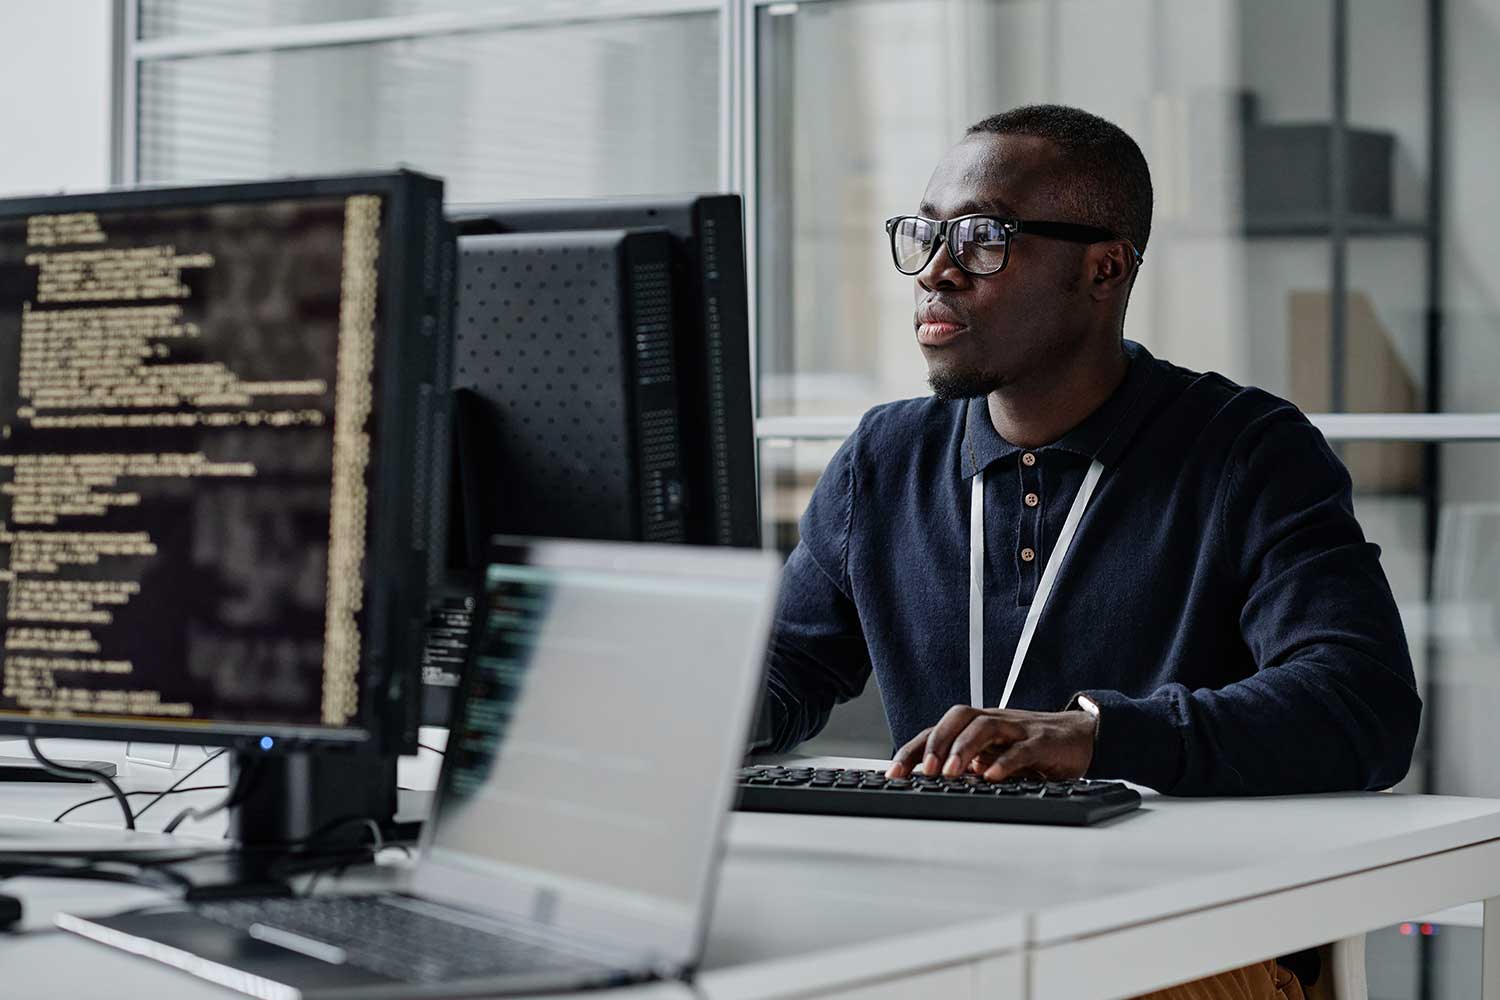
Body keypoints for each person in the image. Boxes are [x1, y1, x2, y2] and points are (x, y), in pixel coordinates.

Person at [761, 104, 1421, 1000]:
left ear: (1105, 269)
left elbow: (1361, 705)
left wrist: (1095, 737)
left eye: (985, 238)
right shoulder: (885, 458)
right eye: (924, 234)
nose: (936, 270)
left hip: (1188, 942)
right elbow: (786, 669)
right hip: (941, 926)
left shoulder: (1246, 450)